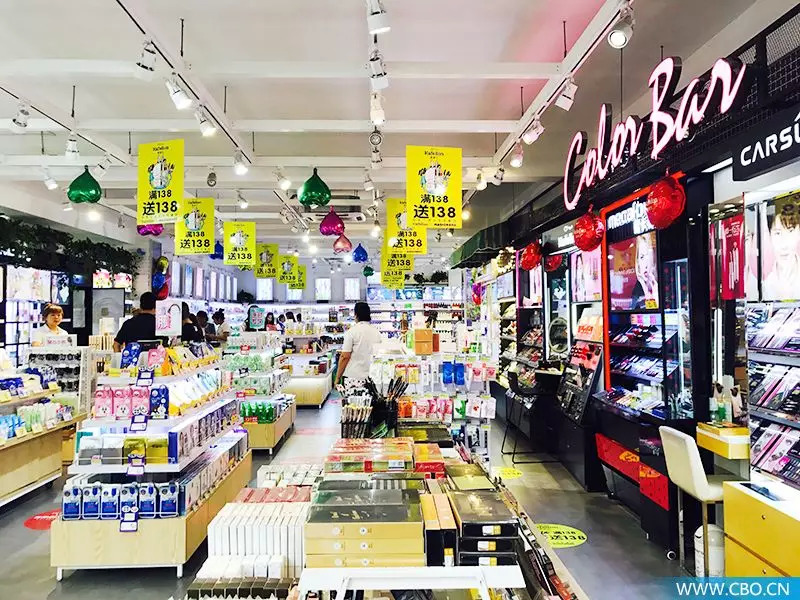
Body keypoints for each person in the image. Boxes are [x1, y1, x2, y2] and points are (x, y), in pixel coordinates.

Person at [335, 301, 383, 385]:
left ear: (356, 315)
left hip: (353, 377)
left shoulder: (352, 332)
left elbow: (345, 357)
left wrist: (338, 377)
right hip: (371, 378)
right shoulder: (377, 332)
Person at [631, 233, 659, 310]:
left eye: (648, 256)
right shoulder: (638, 291)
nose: (646, 264)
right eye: (642, 257)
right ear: (637, 261)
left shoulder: (661, 285)